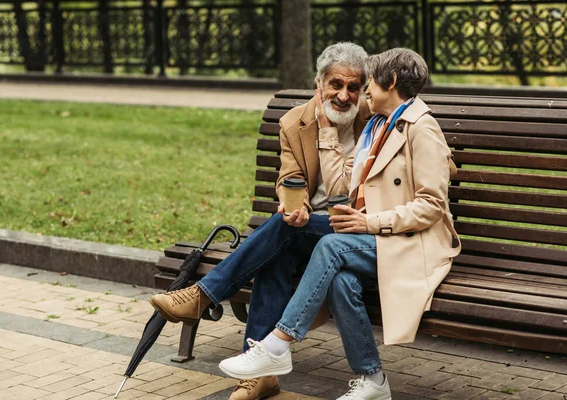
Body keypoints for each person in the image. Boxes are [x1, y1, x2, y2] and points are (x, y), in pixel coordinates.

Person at [218, 48, 461, 400]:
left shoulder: (421, 128)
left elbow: (432, 207)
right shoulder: (380, 125)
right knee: (342, 280)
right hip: (384, 237)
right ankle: (373, 380)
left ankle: (276, 344)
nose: (363, 94)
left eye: (370, 85)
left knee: (331, 246)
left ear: (389, 82)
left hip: (415, 242)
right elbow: (342, 186)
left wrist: (370, 222)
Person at [149, 42, 372, 400]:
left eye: (353, 88)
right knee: (280, 244)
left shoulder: (372, 120)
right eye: (336, 85)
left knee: (280, 234)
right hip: (308, 228)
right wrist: (292, 206)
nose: (344, 95)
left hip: (351, 230)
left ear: (363, 89)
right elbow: (289, 177)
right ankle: (261, 375)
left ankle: (203, 295)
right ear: (319, 84)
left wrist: (330, 130)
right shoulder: (294, 122)